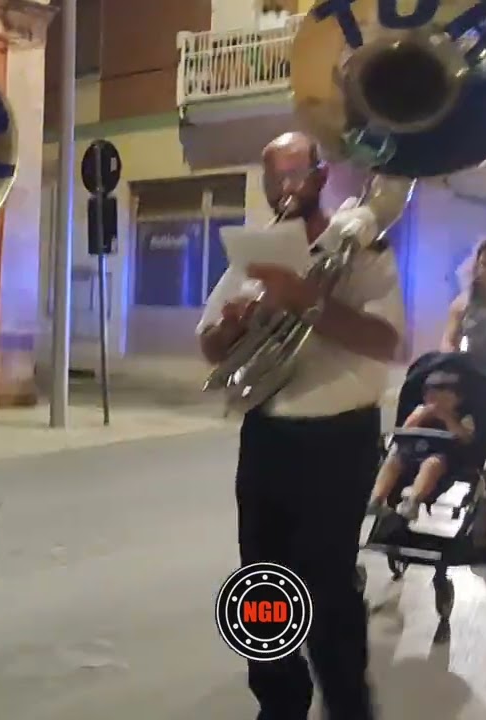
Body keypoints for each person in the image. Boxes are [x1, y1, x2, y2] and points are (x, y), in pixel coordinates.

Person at [197, 132, 403, 720]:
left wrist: (305, 300)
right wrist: (234, 327)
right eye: (274, 178)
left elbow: (386, 341)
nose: (286, 188)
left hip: (338, 438)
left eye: (296, 174)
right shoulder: (255, 252)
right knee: (261, 581)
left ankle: (347, 705)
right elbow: (210, 344)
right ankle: (278, 704)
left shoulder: (362, 245)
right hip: (267, 435)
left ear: (320, 174)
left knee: (327, 582)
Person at [369, 370, 474, 520]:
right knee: (393, 460)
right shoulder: (419, 412)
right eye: (432, 395)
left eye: (444, 397)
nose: (437, 401)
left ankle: (413, 501)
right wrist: (419, 416)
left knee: (432, 465)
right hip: (412, 451)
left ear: (458, 399)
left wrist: (447, 418)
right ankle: (376, 499)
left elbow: (466, 438)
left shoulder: (463, 418)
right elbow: (403, 431)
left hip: (443, 455)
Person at [442, 237, 486, 356]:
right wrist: (454, 356)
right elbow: (447, 341)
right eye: (483, 265)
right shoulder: (463, 303)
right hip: (470, 367)